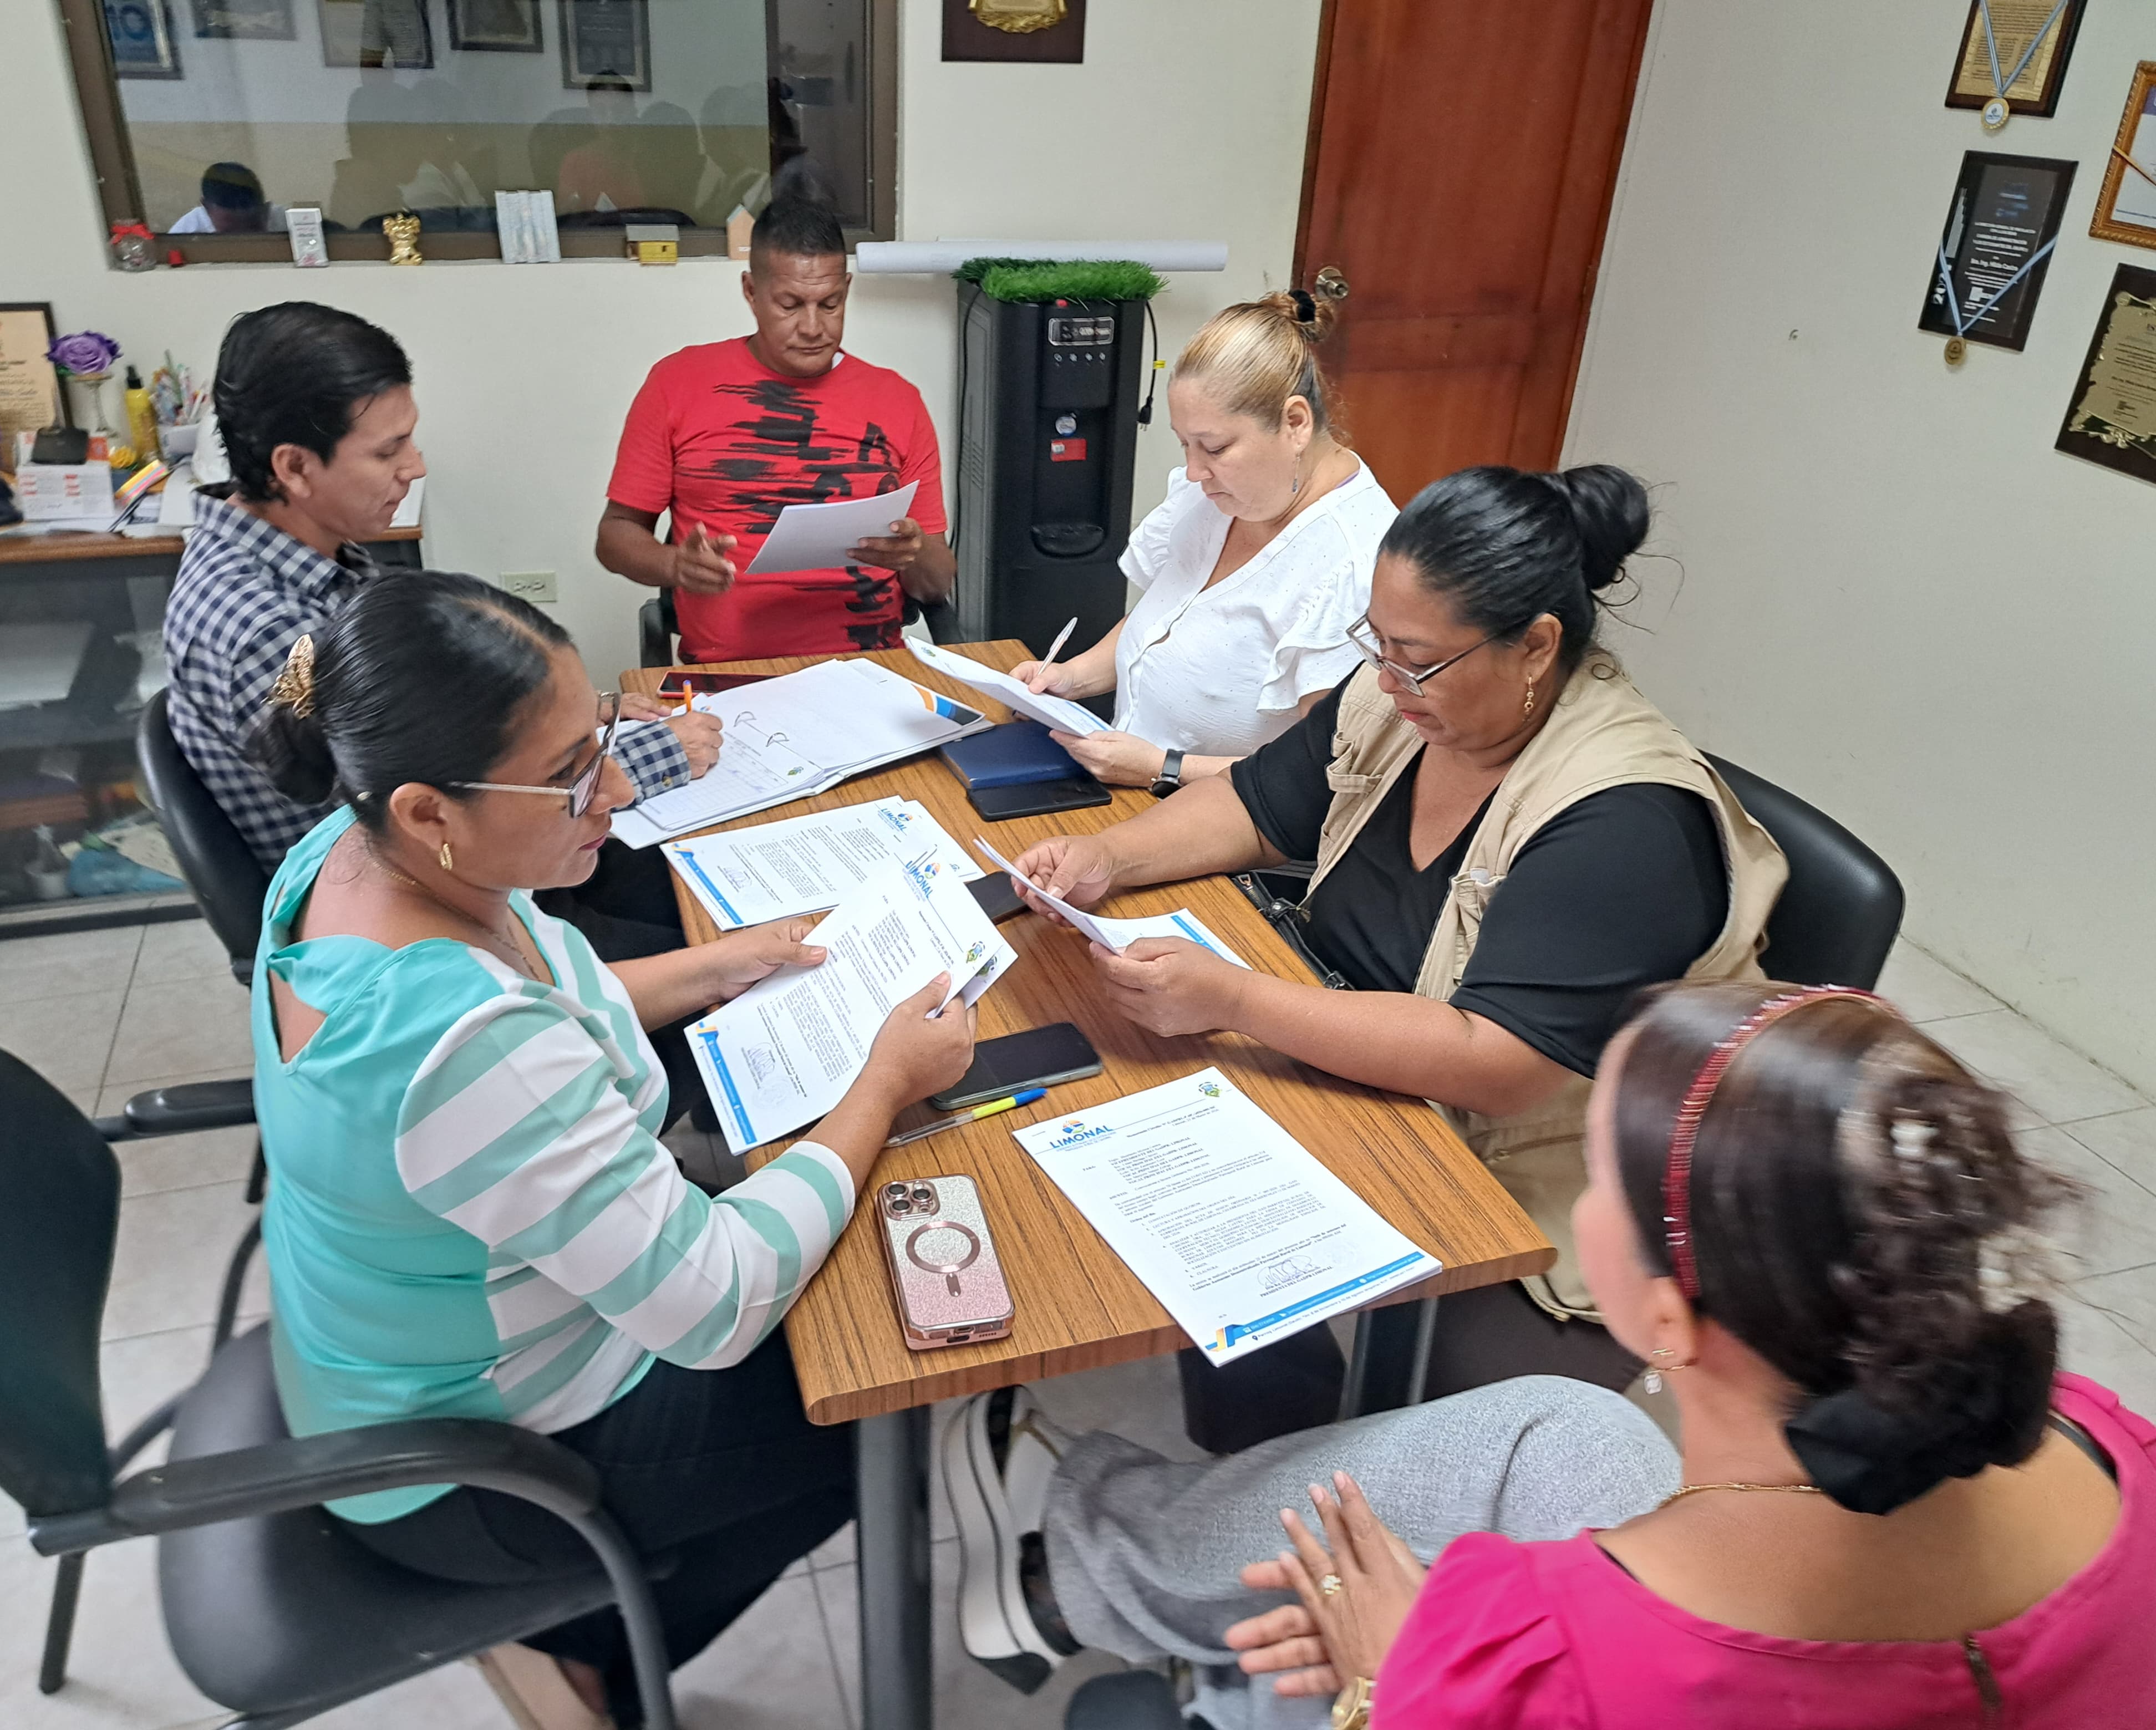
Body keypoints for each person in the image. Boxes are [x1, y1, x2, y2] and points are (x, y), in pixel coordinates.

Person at [945, 984, 2150, 1728]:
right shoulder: (2104, 1440)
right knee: (1562, 1427)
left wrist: (1391, 1685)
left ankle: (1116, 1593)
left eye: (1593, 1169)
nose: (1576, 1193)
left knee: (1305, 1634)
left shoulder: (1549, 1665)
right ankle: (1105, 1578)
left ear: (1669, 1318)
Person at [245, 571, 976, 1728]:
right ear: (433, 812)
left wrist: (726, 961)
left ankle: (600, 1632)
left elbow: (553, 1000)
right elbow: (715, 1301)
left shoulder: (355, 853)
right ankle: (593, 1654)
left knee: (846, 1314)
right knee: (876, 1405)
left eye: (600, 738)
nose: (618, 788)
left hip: (380, 1356)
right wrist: (881, 1084)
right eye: (572, 774)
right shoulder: (460, 1044)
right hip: (477, 1461)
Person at [1010, 464, 1788, 1441]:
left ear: (1536, 646)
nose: (1385, 680)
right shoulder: (1405, 698)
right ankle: (1254, 1446)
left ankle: (1283, 1475)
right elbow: (1260, 802)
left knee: (1202, 1214)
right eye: (1375, 643)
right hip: (1362, 1064)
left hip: (1528, 1168)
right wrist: (1110, 856)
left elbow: (1496, 1064)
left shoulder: (1624, 820)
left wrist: (1237, 1002)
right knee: (1108, 1114)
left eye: (1415, 660)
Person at [164, 301, 717, 958]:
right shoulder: (268, 631)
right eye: (387, 450)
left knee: (710, 880)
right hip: (441, 927)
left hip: (485, 879)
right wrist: (658, 756)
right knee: (720, 934)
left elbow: (432, 707)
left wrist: (569, 713)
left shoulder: (315, 558)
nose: (415, 466)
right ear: (295, 467)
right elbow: (431, 825)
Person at [1009, 289, 1394, 792]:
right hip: (1125, 785)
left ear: (1296, 424)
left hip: (1224, 816)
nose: (1194, 471)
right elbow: (1165, 621)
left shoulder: (1356, 562)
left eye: (1214, 447)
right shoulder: (1215, 494)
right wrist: (1071, 678)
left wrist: (1163, 767)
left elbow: (1323, 769)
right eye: (1184, 444)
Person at [593, 197, 953, 662]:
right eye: (790, 305)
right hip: (730, 674)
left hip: (871, 668)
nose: (813, 327)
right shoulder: (677, 383)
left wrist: (914, 552)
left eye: (830, 304)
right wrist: (673, 565)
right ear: (751, 291)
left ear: (846, 290)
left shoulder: (898, 400)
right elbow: (615, 535)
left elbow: (937, 582)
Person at [167, 161, 288, 234]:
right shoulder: (188, 232)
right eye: (230, 233)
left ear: (266, 209)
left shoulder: (287, 222)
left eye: (252, 229)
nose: (243, 239)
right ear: (207, 208)